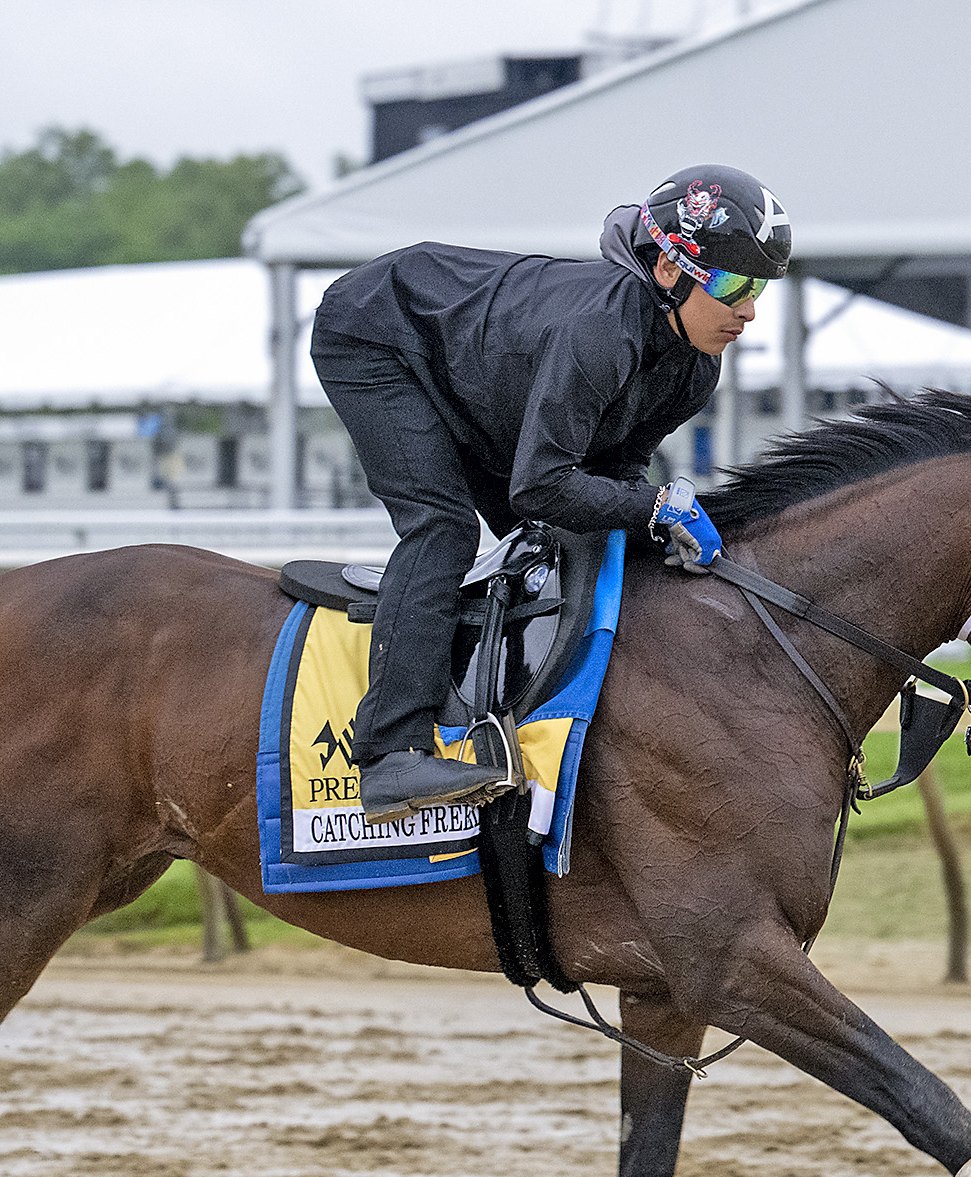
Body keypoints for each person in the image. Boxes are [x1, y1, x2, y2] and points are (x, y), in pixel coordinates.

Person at [309, 164, 794, 825]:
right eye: (735, 284)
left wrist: (654, 521)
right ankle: (391, 753)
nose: (750, 309)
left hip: (473, 373)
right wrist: (656, 508)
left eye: (760, 287)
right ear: (669, 271)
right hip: (377, 332)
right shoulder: (600, 334)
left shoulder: (696, 369)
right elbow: (541, 485)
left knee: (560, 542)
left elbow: (613, 474)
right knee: (444, 528)